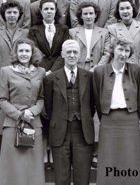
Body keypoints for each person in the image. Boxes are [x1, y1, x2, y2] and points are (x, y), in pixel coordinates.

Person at [93, 37, 140, 185]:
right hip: (108, 120)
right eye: (120, 49)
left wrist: (135, 116)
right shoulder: (99, 72)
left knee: (131, 158)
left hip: (130, 120)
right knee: (108, 157)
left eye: (127, 51)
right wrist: (104, 116)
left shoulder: (136, 70)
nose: (123, 54)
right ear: (113, 50)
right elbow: (97, 99)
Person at [43, 40, 95, 185]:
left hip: (83, 132)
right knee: (61, 177)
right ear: (62, 55)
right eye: (68, 52)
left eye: (75, 52)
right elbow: (48, 107)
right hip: (60, 132)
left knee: (83, 177)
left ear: (80, 55)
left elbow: (92, 106)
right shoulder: (51, 79)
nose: (72, 55)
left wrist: (82, 118)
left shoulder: (89, 77)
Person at [0, 38, 46, 185]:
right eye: (21, 51)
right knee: (12, 168)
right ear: (16, 53)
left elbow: (42, 98)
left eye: (27, 51)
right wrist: (19, 115)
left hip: (33, 123)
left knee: (32, 168)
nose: (24, 54)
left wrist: (33, 111)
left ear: (32, 53)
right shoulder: (6, 71)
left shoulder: (41, 72)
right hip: (13, 124)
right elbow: (1, 99)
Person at [100, 0, 140, 66]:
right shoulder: (112, 29)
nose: (125, 11)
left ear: (132, 9)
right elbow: (110, 52)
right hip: (119, 67)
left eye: (128, 8)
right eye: (122, 9)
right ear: (118, 11)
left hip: (138, 67)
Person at [29, 0, 70, 72]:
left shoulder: (64, 29)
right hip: (40, 70)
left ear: (55, 11)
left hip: (59, 70)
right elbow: (35, 52)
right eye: (46, 9)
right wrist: (45, 71)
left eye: (52, 9)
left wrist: (53, 71)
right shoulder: (33, 30)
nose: (49, 11)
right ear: (41, 11)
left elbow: (64, 51)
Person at [68, 1, 110, 71]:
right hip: (77, 69)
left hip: (98, 70)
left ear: (95, 15)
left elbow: (107, 54)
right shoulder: (72, 33)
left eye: (91, 13)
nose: (88, 16)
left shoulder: (104, 33)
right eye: (85, 14)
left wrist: (97, 68)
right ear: (81, 16)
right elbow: (69, 52)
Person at [0, 0, 30, 68]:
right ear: (4, 14)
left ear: (19, 14)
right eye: (9, 12)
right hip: (0, 72)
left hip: (20, 74)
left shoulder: (26, 33)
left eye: (15, 12)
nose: (12, 15)